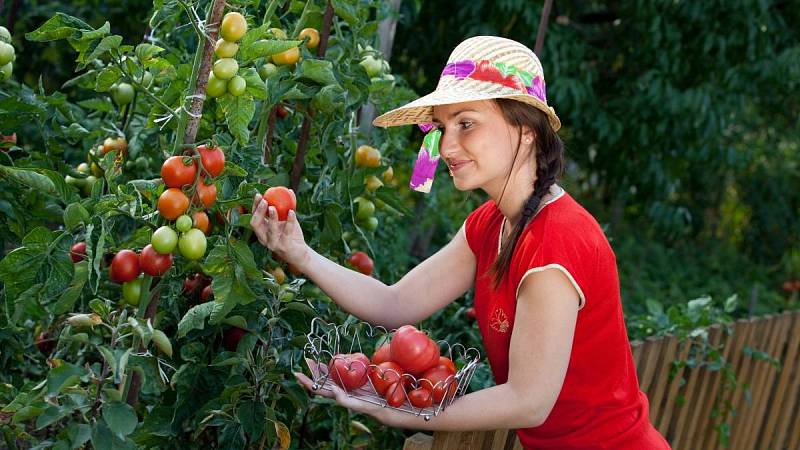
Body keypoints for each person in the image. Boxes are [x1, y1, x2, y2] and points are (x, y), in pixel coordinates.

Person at [250, 36, 670, 449]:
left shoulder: (557, 242)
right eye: (442, 126)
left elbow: (529, 402)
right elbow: (395, 304)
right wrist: (298, 253)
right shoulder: (490, 225)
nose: (447, 146)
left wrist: (405, 412)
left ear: (525, 130)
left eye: (466, 124)